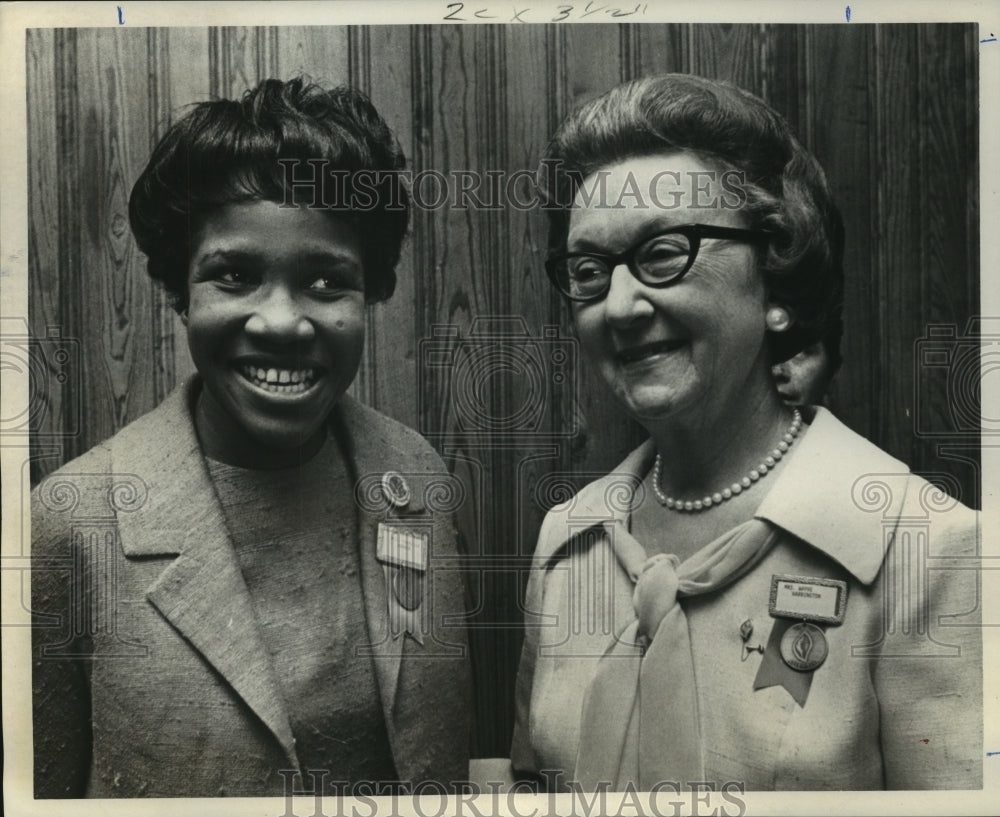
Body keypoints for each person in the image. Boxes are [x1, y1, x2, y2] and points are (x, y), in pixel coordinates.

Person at [510, 74, 980, 791]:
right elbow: (530, 789)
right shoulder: (564, 544)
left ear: (777, 284)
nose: (620, 304)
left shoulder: (930, 550)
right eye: (588, 270)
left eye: (664, 252)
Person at [31, 77, 471, 798]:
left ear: (375, 291)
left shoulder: (414, 474)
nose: (281, 322)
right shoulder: (69, 521)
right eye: (233, 275)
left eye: (327, 282)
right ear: (179, 288)